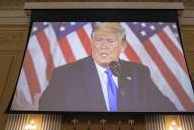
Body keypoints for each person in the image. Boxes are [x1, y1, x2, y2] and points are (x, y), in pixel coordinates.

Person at [38, 22, 177, 112]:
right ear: (92, 43)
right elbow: (47, 110)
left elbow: (167, 108)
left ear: (123, 46)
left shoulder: (139, 73)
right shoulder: (65, 75)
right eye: (99, 41)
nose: (103, 46)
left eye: (110, 41)